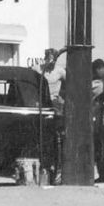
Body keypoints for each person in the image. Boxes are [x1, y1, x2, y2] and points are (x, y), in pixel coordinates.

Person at [40, 49, 68, 184]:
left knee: (57, 138)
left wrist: (63, 99)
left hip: (55, 102)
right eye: (50, 59)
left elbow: (71, 84)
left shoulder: (60, 71)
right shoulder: (37, 69)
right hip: (41, 102)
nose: (52, 62)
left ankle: (57, 173)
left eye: (54, 60)